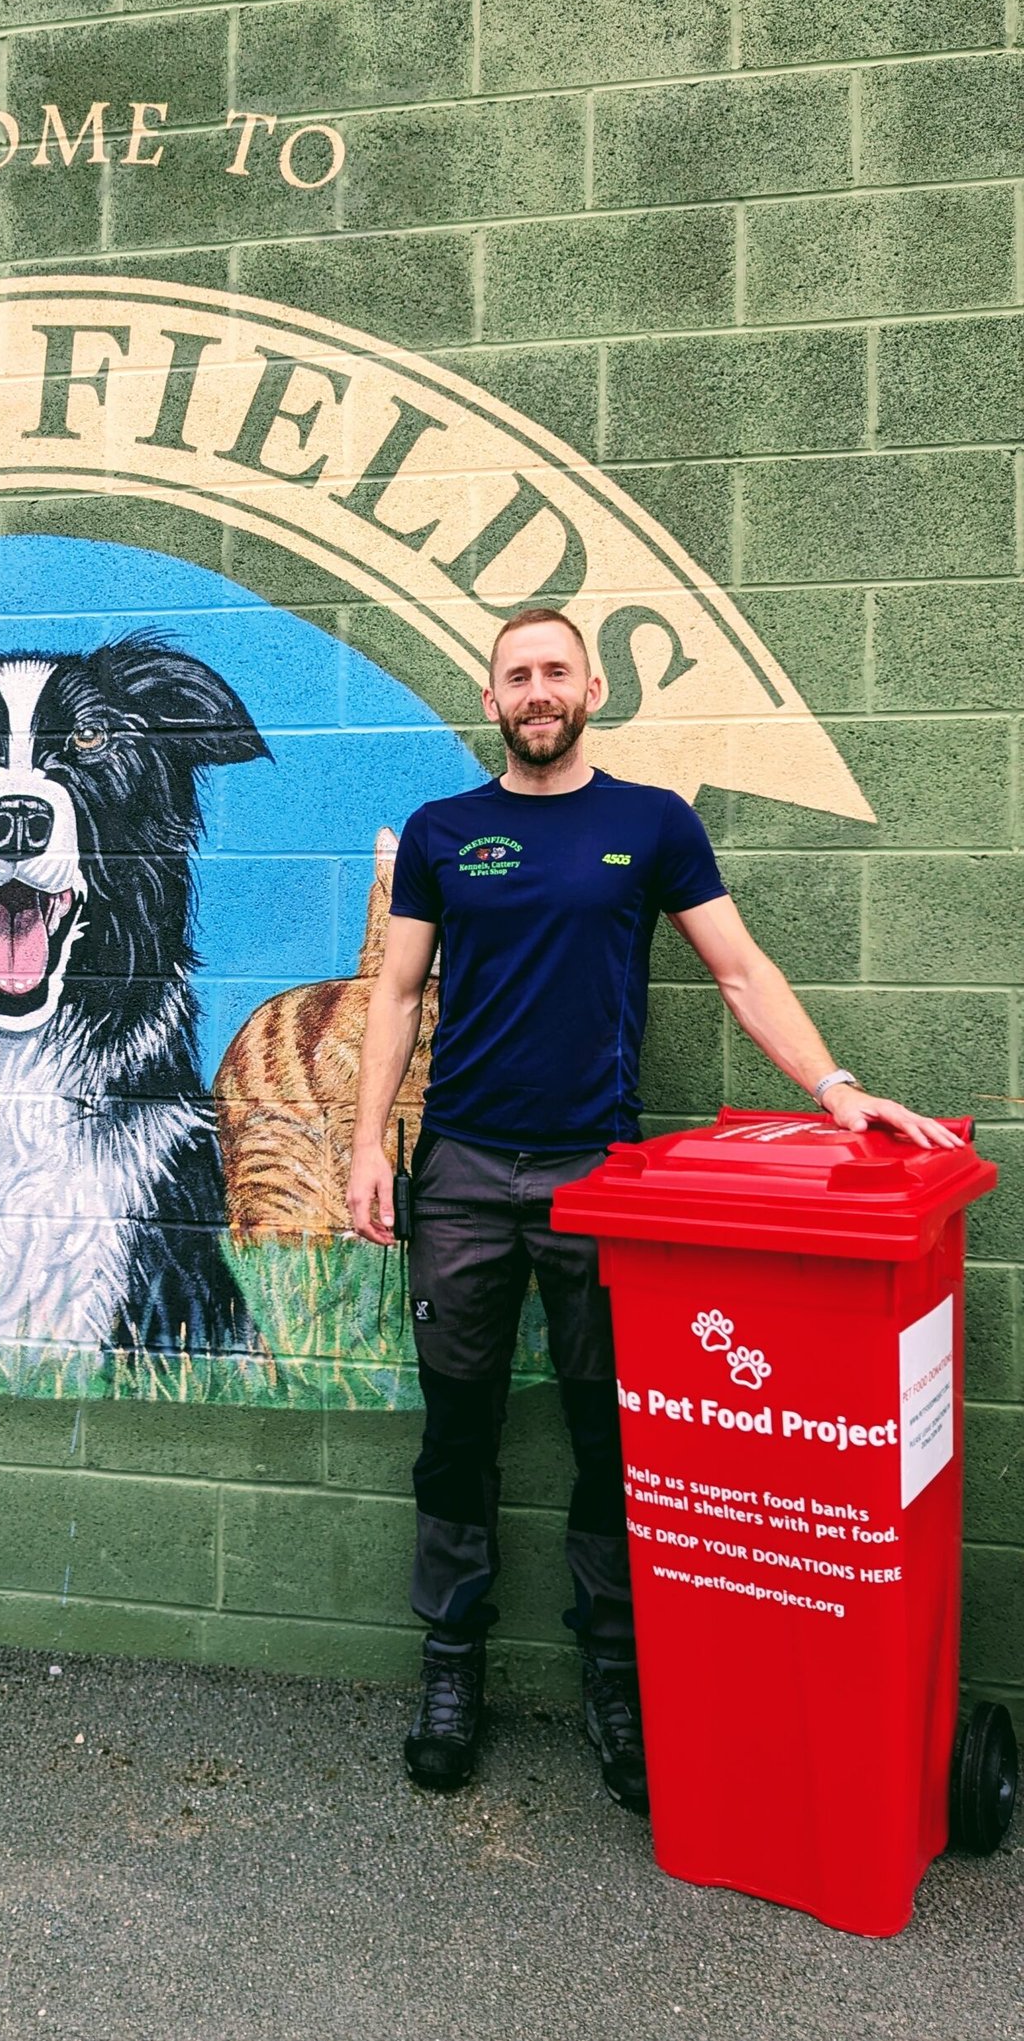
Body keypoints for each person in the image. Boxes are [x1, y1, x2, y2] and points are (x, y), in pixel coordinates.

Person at [345, 607, 959, 1810]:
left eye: (554, 672)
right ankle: (451, 1664)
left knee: (605, 1437)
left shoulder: (650, 823)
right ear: (492, 697)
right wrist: (368, 1144)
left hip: (598, 1178)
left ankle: (615, 1676)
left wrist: (834, 1089)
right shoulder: (443, 831)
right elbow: (397, 994)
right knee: (457, 1436)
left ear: (591, 689)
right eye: (516, 674)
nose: (536, 690)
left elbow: (739, 968)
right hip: (464, 1172)